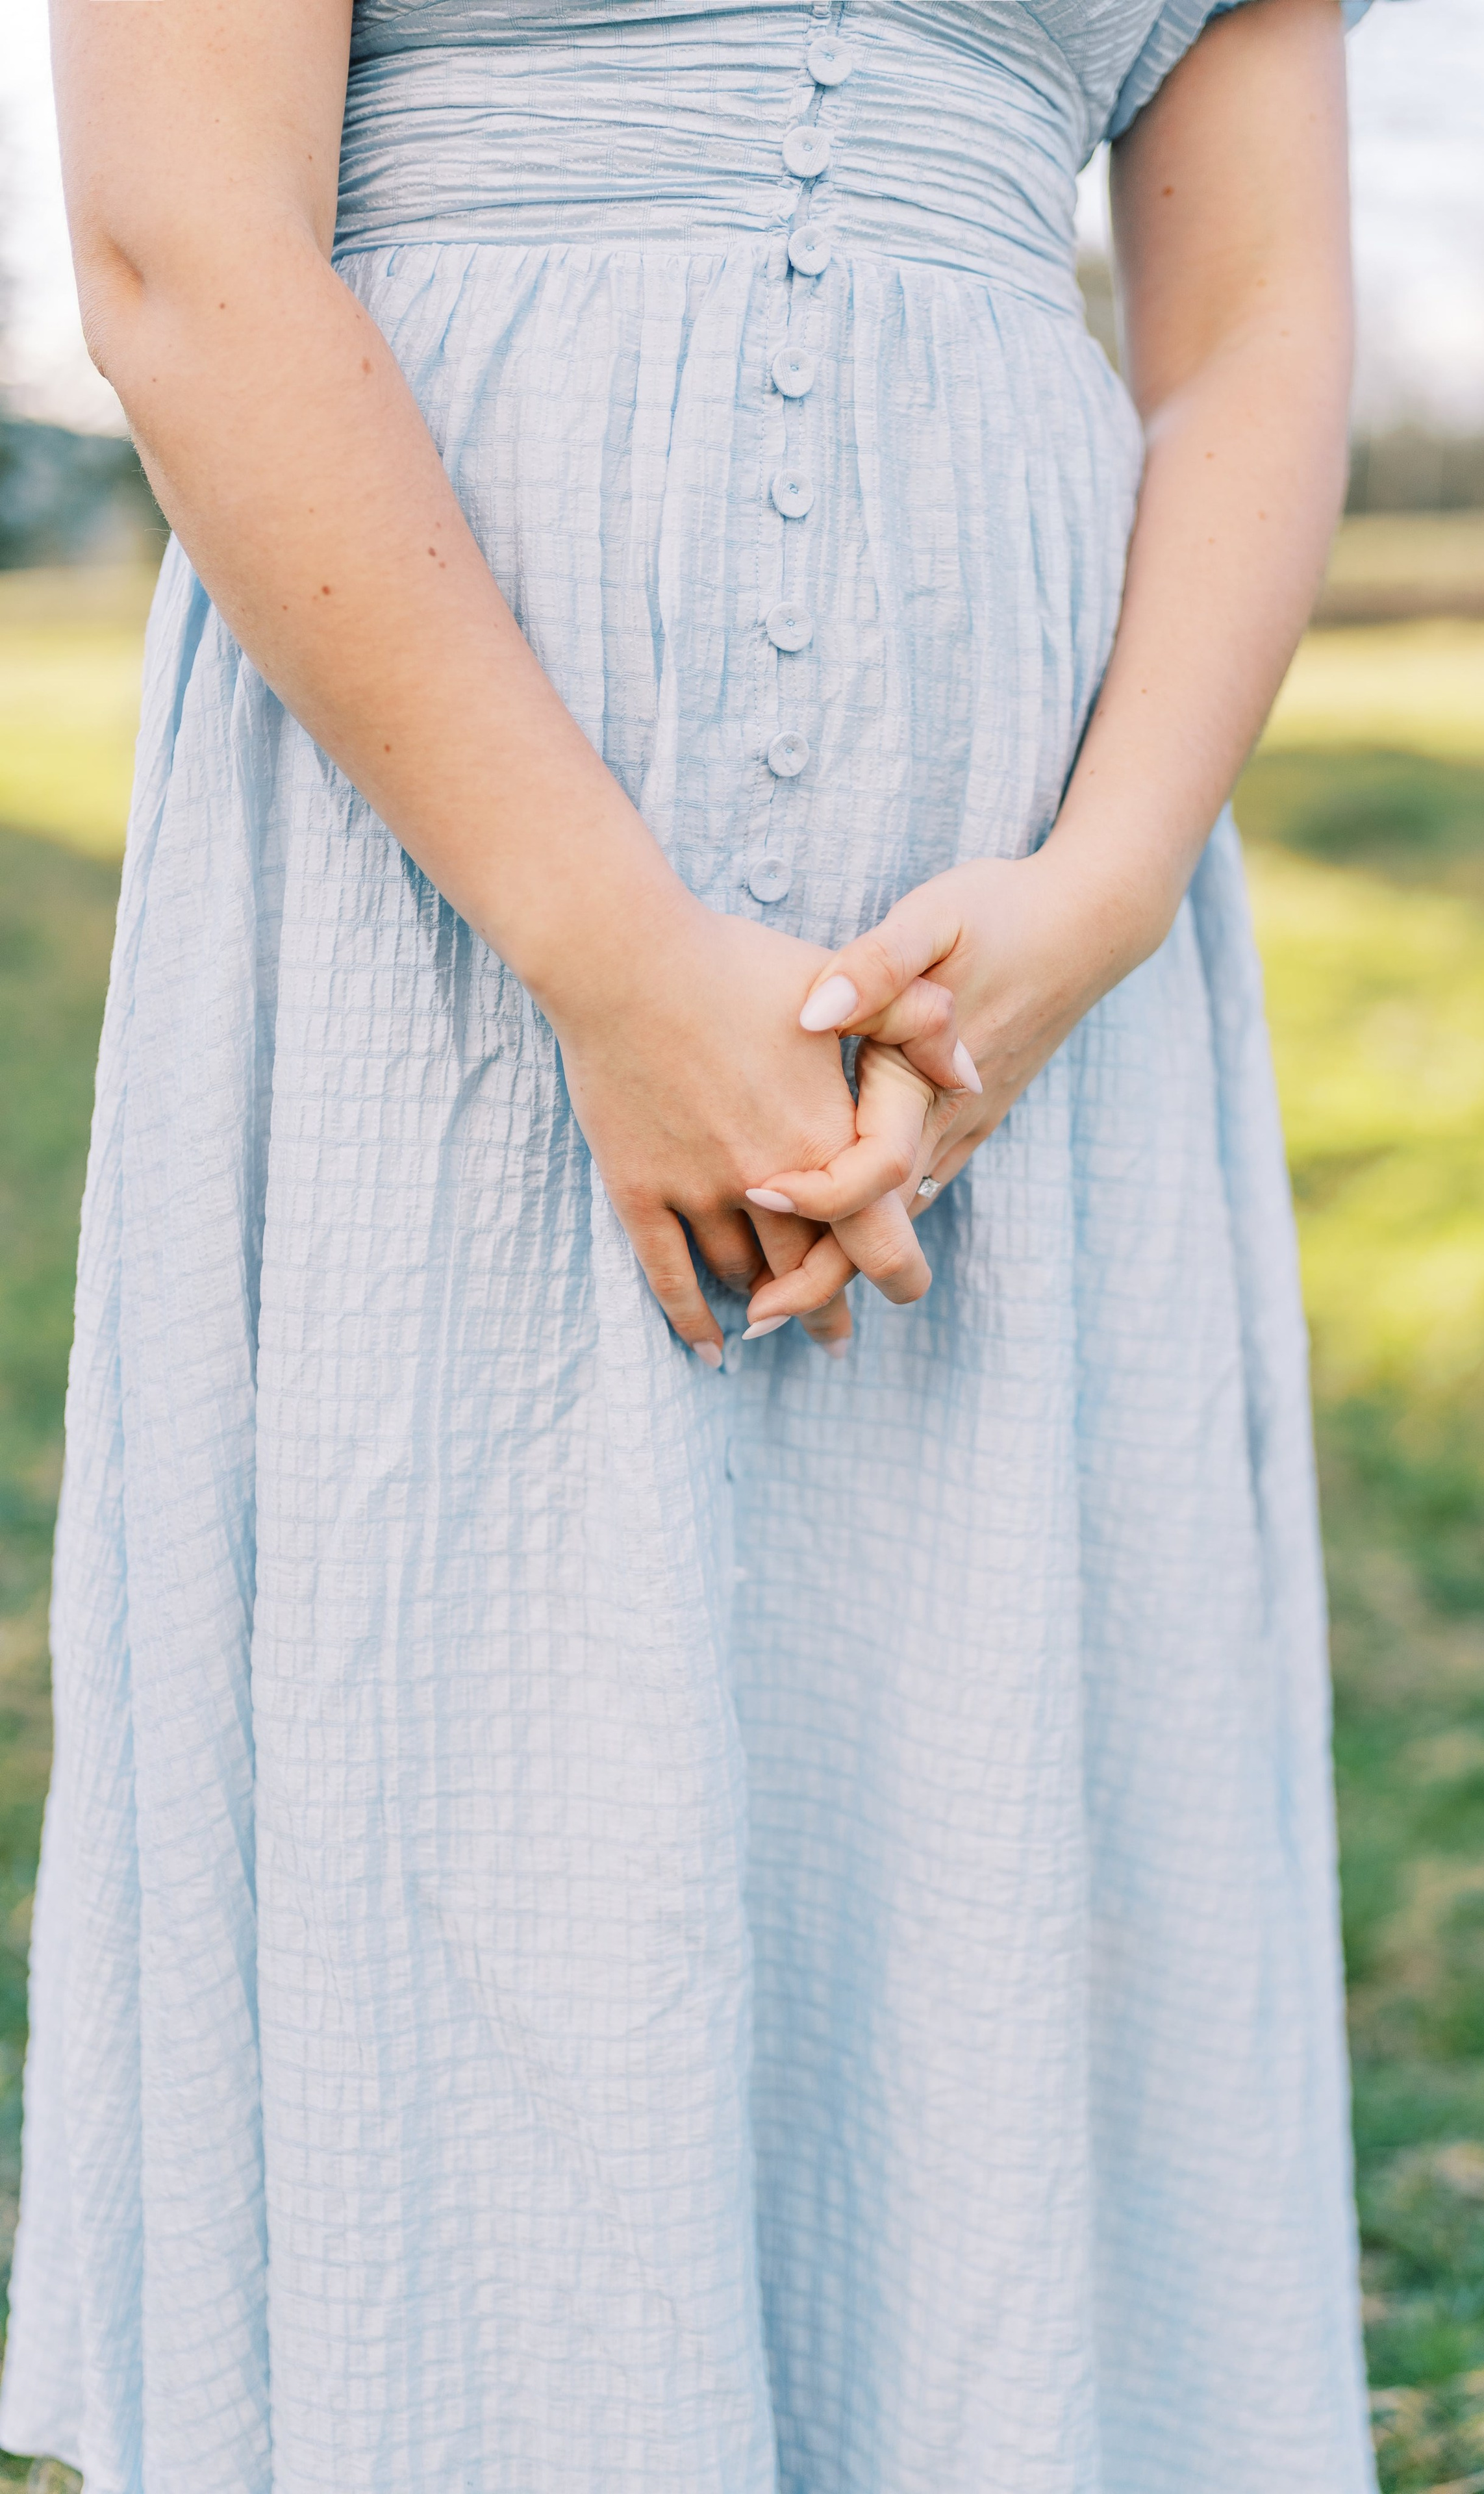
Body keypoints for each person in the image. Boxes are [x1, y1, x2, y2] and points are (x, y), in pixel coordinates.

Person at [2, 0, 1384, 2486]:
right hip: (442, 789)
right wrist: (606, 951)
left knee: (974, 1786)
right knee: (482, 1732)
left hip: (1035, 837)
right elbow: (180, 240)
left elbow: (1258, 328)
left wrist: (1107, 885)